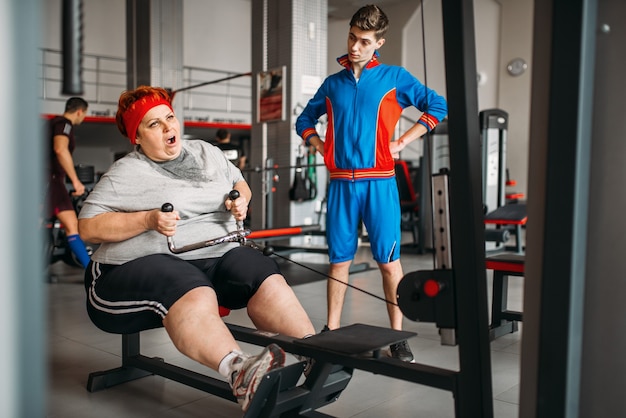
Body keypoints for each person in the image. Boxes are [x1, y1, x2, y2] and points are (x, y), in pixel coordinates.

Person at [78, 86, 316, 412]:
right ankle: (240, 372)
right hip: (127, 270)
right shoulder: (126, 172)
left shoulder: (206, 151)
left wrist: (241, 199)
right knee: (189, 286)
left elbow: (238, 182)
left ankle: (313, 354)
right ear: (137, 138)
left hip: (213, 254)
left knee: (262, 274)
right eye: (153, 124)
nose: (168, 128)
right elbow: (87, 228)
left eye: (169, 118)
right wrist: (147, 219)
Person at [295, 4, 448, 362]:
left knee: (388, 262)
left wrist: (402, 142)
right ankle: (330, 330)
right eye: (351, 37)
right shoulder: (333, 83)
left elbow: (437, 105)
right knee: (339, 261)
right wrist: (320, 147)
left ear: (378, 42)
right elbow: (304, 118)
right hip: (342, 185)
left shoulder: (394, 77)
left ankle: (397, 336)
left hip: (379, 184)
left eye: (364, 41)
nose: (354, 47)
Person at [46, 96, 92, 269]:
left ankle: (89, 269)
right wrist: (76, 181)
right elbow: (60, 149)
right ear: (80, 111)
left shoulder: (51, 124)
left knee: (69, 225)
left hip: (48, 181)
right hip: (50, 181)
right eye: (84, 114)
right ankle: (89, 270)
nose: (83, 118)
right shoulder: (64, 123)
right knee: (72, 225)